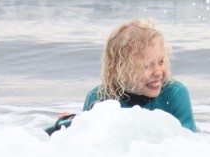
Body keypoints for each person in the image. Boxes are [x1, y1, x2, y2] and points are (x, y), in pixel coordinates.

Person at [47, 19, 197, 134]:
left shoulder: (175, 94)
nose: (158, 72)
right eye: (147, 66)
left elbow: (188, 143)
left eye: (161, 62)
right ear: (118, 70)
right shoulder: (99, 98)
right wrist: (77, 124)